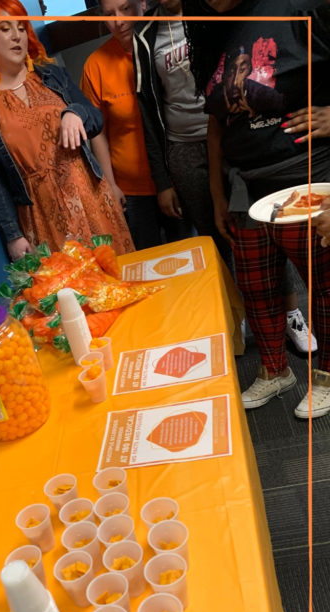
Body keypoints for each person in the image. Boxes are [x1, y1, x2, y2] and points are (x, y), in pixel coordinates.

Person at [132, 0, 316, 354]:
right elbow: (149, 112)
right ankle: (243, 315)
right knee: (222, 236)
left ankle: (292, 311)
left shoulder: (222, 14)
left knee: (265, 230)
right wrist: (163, 180)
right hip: (185, 144)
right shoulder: (146, 36)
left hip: (239, 139)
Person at [183, 0, 330, 417]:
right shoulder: (208, 28)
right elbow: (216, 123)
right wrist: (216, 195)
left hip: (305, 178)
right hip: (245, 187)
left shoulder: (298, 6)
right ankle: (274, 371)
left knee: (323, 287)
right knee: (257, 287)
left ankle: (327, 377)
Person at [0, 0, 134, 261]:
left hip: (91, 197)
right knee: (70, 293)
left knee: (117, 278)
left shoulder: (52, 76)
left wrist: (76, 112)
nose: (17, 35)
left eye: (21, 27)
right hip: (42, 216)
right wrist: (12, 235)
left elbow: (96, 119)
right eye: (5, 29)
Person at [82, 0, 191, 250]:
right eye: (109, 14)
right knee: (145, 267)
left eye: (126, 8)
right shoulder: (95, 66)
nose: (119, 21)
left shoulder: (165, 50)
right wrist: (110, 185)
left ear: (143, 4)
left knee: (189, 256)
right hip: (131, 190)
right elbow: (97, 132)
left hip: (175, 177)